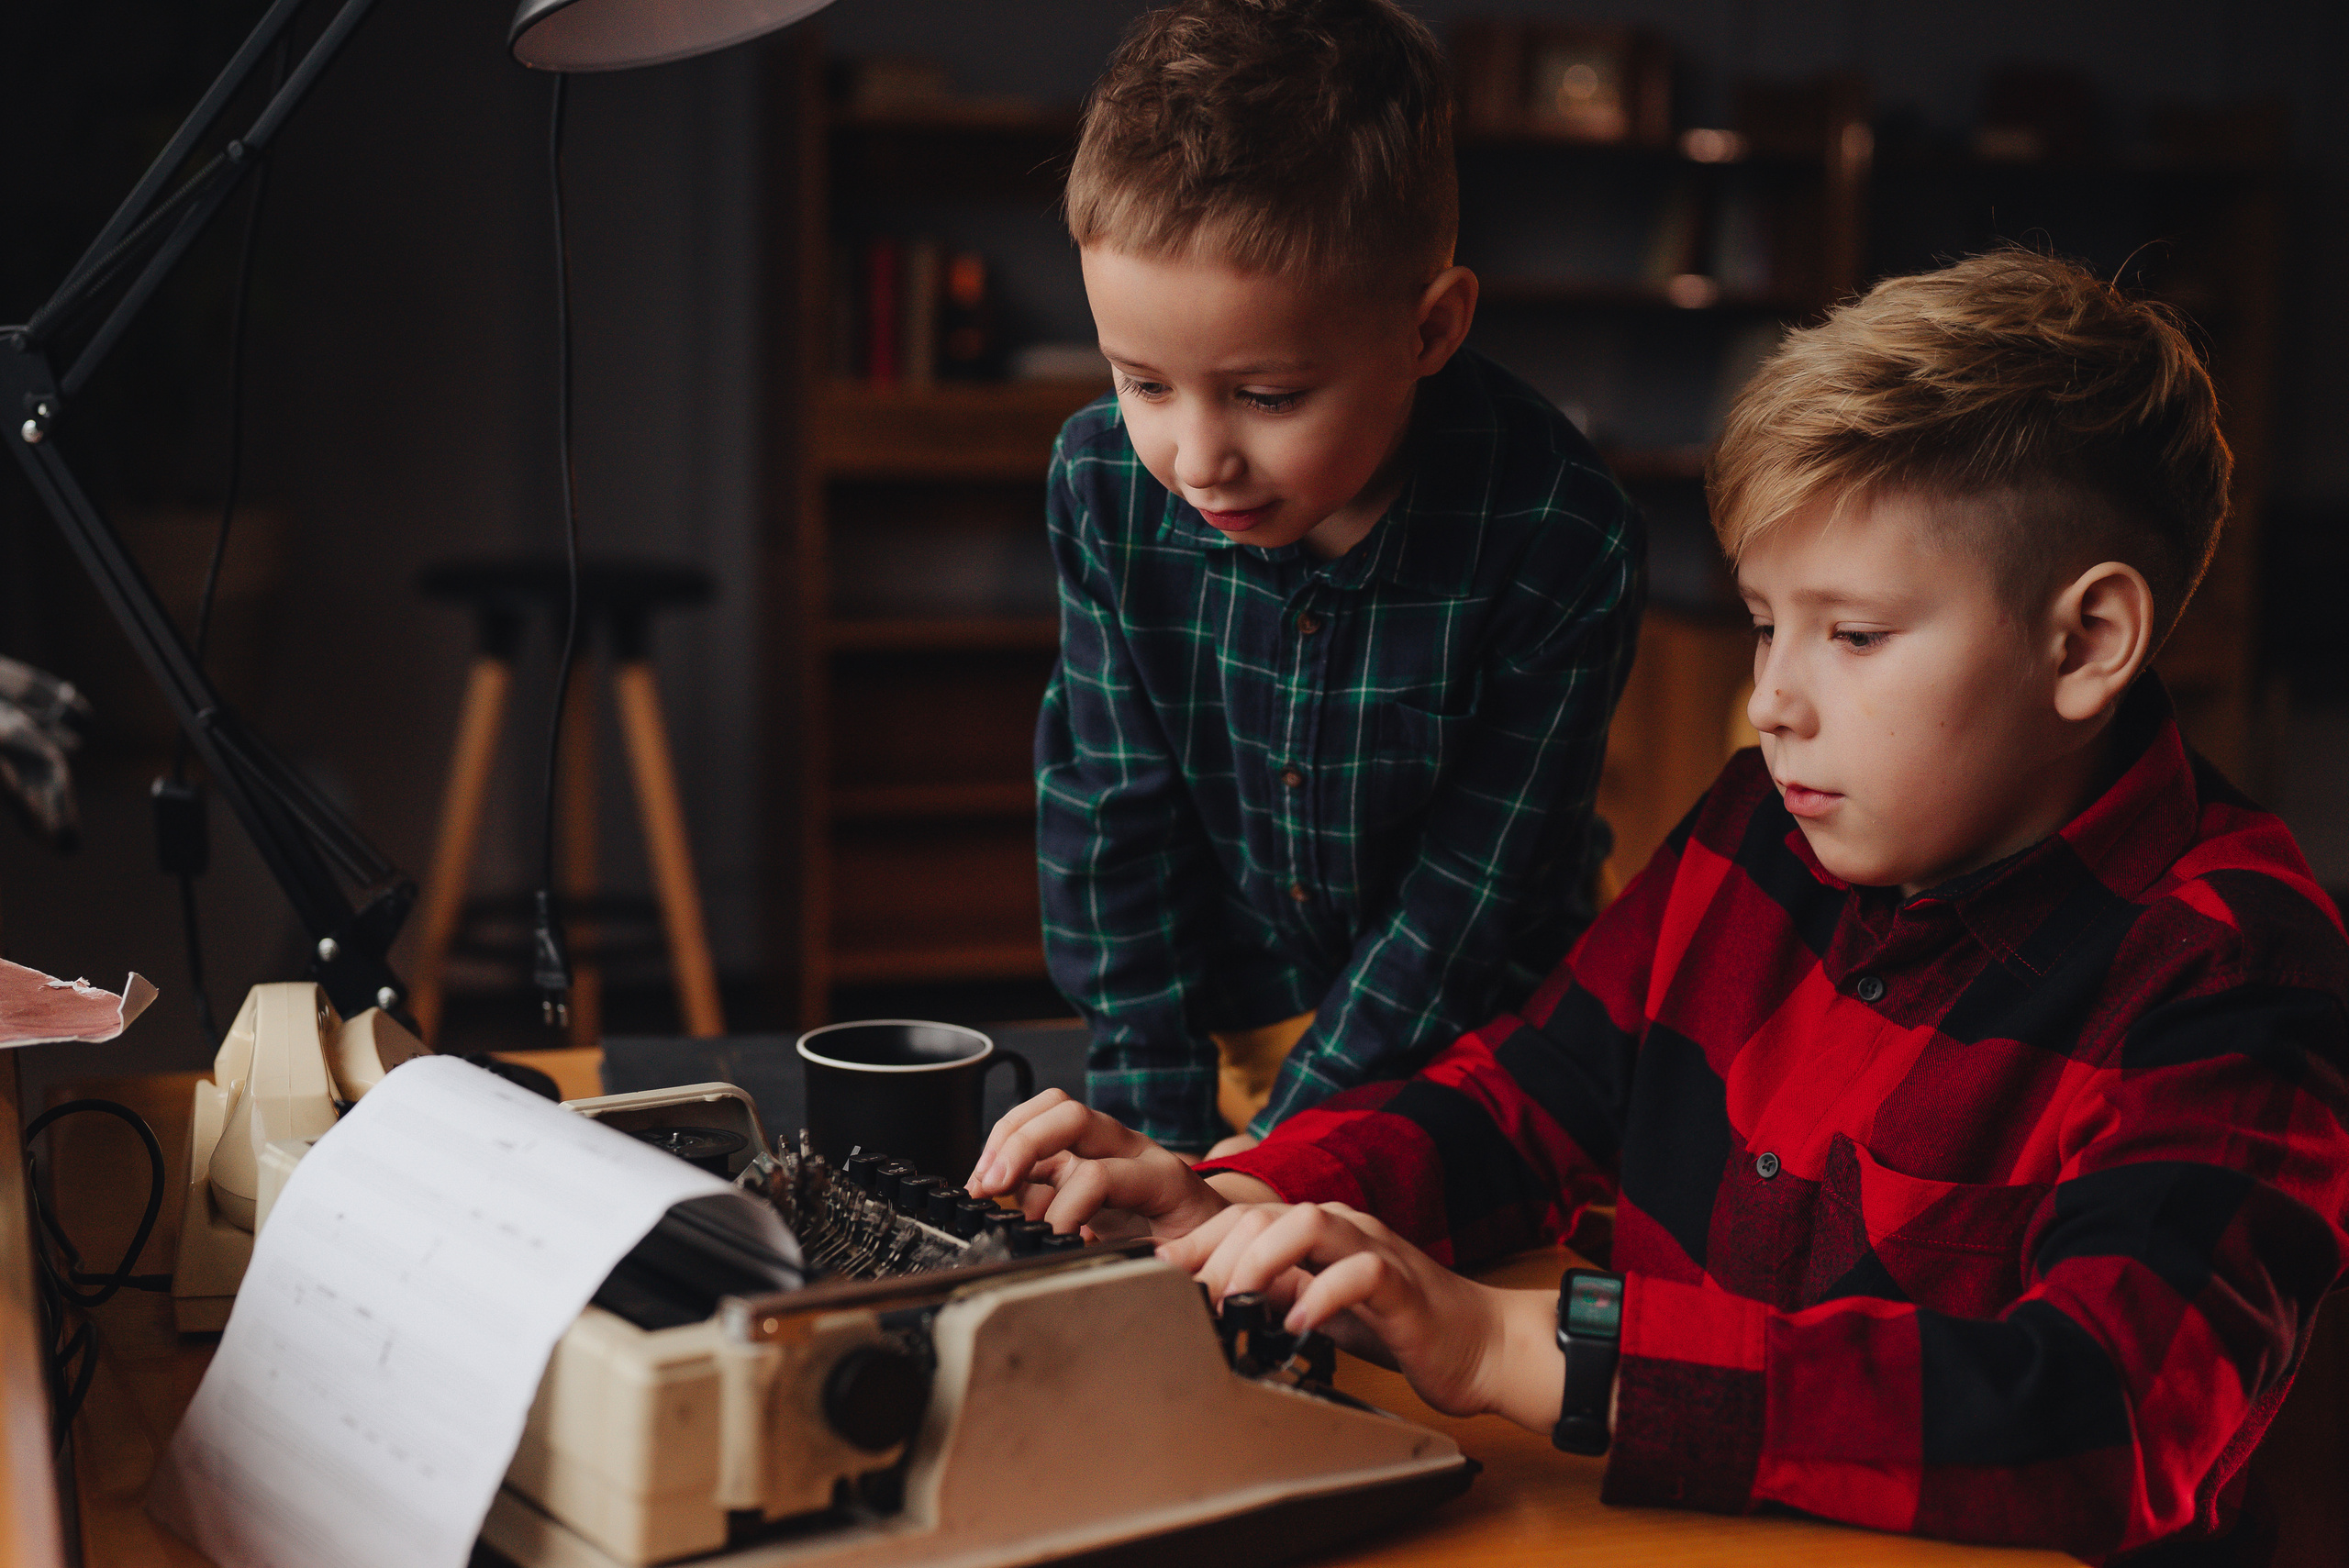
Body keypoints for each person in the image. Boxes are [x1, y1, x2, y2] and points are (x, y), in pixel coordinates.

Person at [977, 249, 2349, 1562]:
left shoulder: (2234, 970)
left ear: (2087, 640)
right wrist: (1242, 1197)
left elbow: (2109, 1414)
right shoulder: (1764, 823)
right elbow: (1525, 1096)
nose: (1773, 701)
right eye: (1764, 623)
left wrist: (1528, 1347)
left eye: (1853, 634)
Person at [1039, 0, 1643, 1160]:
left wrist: (1280, 1154)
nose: (1197, 460)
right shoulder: (1100, 482)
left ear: (1430, 330)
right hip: (1231, 1024)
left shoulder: (1562, 533)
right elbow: (1113, 817)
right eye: (1143, 382)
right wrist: (1158, 1126)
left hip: (1481, 1054)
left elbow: (1470, 894)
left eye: (1266, 396)